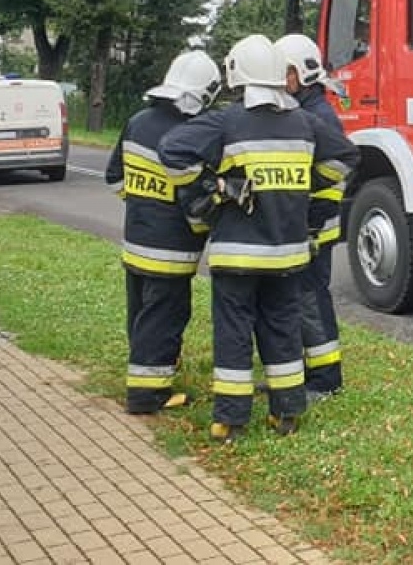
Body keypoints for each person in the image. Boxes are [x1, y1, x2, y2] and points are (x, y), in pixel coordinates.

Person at [158, 35, 360, 443]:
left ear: (238, 74)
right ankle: (287, 413)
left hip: (237, 255)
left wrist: (214, 186)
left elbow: (171, 149)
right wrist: (304, 188)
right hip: (288, 256)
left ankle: (231, 420)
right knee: (282, 328)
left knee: (233, 332)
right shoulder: (305, 123)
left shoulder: (226, 122)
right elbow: (346, 157)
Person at [104, 50, 224, 415]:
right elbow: (195, 201)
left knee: (141, 314)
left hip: (135, 242)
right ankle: (147, 395)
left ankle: (146, 371)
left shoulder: (137, 121)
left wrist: (143, 204)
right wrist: (203, 228)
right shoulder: (190, 134)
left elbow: (115, 178)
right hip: (171, 251)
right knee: (164, 317)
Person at [276, 33, 357, 401]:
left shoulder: (317, 116)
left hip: (315, 229)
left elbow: (338, 169)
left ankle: (326, 379)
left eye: (285, 72)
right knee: (299, 300)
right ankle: (305, 372)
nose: (280, 80)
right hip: (307, 225)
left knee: (311, 300)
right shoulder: (302, 109)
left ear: (302, 74)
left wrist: (313, 216)